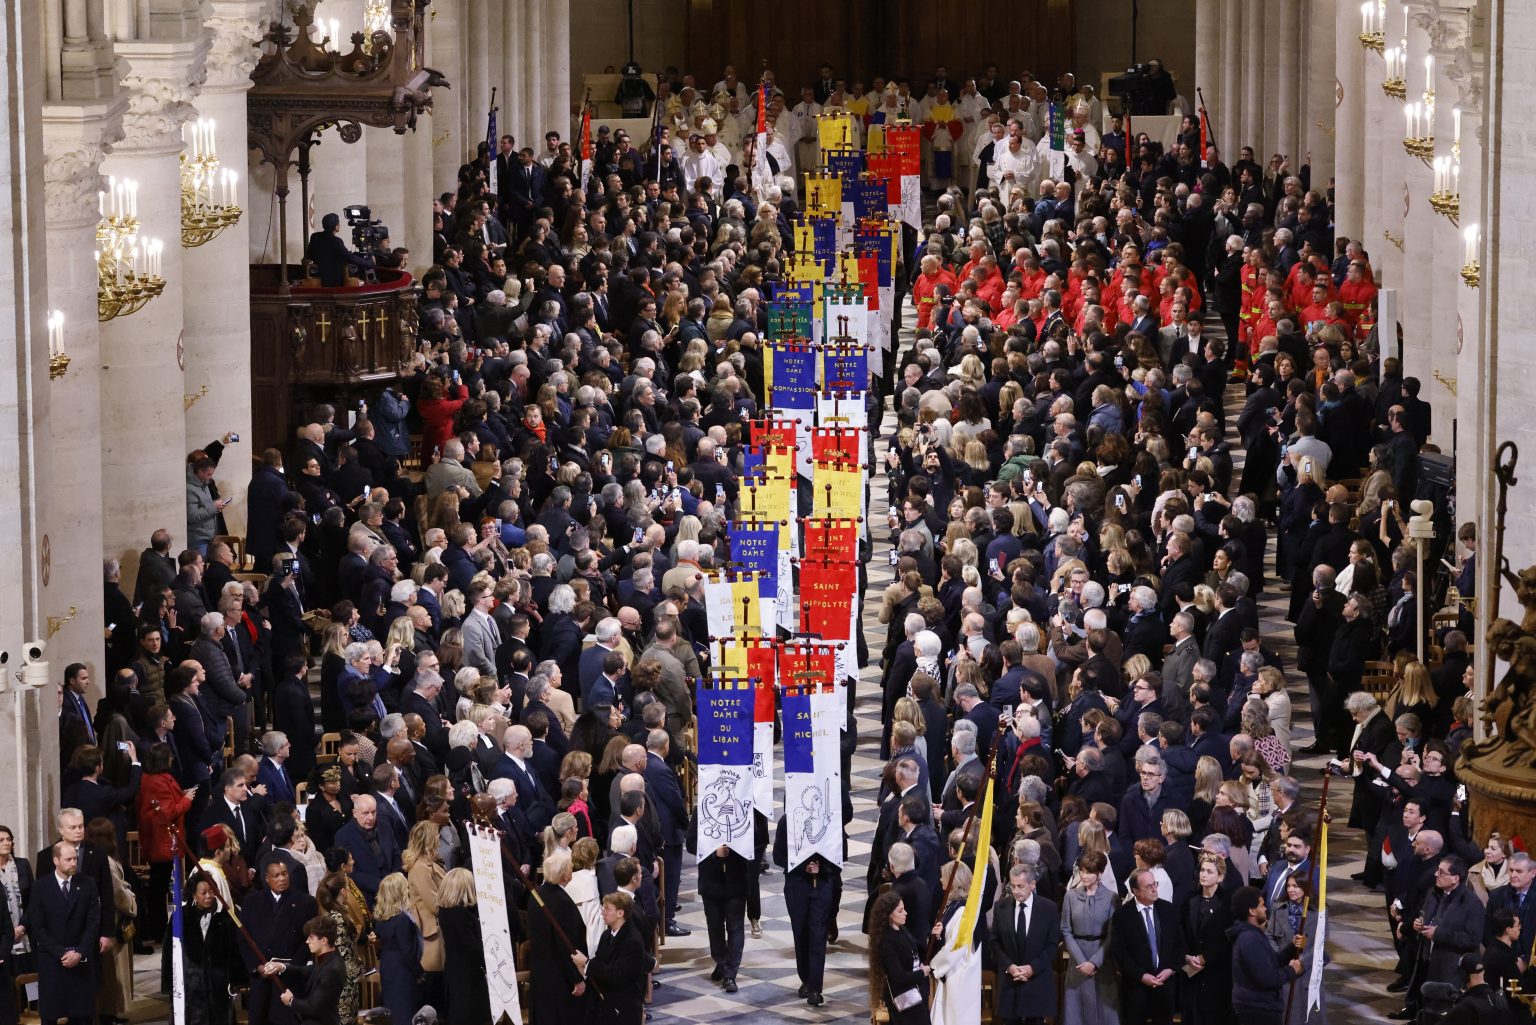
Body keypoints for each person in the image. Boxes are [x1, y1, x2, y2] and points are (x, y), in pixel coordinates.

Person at [28, 842, 100, 1025]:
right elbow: (37, 927)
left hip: (80, 959)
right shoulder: (40, 887)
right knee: (51, 1013)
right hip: (52, 960)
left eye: (75, 858)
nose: (73, 863)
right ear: (56, 861)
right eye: (68, 859)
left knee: (81, 1014)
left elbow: (92, 923)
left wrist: (80, 952)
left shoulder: (87, 883)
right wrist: (61, 952)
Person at [240, 858, 318, 1025]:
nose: (282, 879)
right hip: (262, 978)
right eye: (276, 876)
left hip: (289, 978)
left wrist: (290, 968)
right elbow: (244, 940)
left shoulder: (306, 902)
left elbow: (309, 940)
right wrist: (257, 966)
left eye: (284, 874)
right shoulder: (252, 902)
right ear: (267, 878)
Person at [774, 811, 840, 1007]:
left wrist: (823, 868)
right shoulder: (786, 821)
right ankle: (806, 979)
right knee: (801, 932)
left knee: (818, 934)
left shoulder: (830, 820)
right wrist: (803, 867)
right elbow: (778, 856)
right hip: (797, 884)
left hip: (823, 885)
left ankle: (816, 988)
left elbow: (838, 856)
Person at [991, 861, 1061, 1025]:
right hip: (1010, 982)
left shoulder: (1048, 908)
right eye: (1013, 886)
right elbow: (995, 942)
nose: (1016, 891)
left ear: (1032, 884)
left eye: (1020, 886)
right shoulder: (1001, 907)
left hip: (1036, 983)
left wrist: (1032, 968)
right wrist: (1009, 966)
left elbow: (1052, 945)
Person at [1111, 868, 1183, 1025]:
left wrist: (1170, 969)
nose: (1154, 889)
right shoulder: (1122, 915)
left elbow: (1179, 945)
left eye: (1155, 884)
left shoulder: (1168, 910)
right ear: (1135, 891)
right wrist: (1140, 975)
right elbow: (1120, 952)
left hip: (1165, 985)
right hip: (1136, 988)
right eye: (1148, 886)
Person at [528, 848, 588, 1024]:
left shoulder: (536, 894)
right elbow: (565, 945)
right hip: (559, 977)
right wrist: (577, 979)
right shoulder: (561, 902)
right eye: (570, 869)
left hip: (540, 971)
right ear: (564, 875)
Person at [574, 890, 652, 1025]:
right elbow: (600, 962)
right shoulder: (607, 935)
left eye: (607, 909)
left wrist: (587, 964)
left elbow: (618, 974)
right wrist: (585, 970)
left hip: (624, 1006)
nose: (603, 912)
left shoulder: (632, 941)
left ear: (620, 913)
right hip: (607, 1002)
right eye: (603, 908)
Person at [1229, 885, 1303, 1025]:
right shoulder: (1250, 939)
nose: (1265, 909)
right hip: (1258, 1009)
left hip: (1259, 1006)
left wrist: (1291, 948)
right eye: (1262, 906)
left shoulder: (1253, 935)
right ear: (1252, 911)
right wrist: (1292, 970)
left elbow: (1271, 962)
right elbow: (1267, 978)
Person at [1061, 850, 1120, 1025]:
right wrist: (1081, 961)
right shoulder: (1071, 895)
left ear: (1100, 873)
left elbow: (1112, 933)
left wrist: (1095, 962)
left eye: (1089, 872)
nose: (1084, 876)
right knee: (1076, 1012)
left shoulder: (1111, 898)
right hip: (1078, 961)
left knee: (1105, 1011)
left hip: (1102, 961)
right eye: (1082, 871)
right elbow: (1066, 929)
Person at [258, 915, 347, 1025]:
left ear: (323, 940)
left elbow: (314, 1007)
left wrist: (291, 1001)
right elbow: (305, 970)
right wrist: (282, 967)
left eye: (311, 937)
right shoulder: (328, 959)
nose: (307, 941)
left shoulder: (332, 969)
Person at [181, 871, 243, 1025]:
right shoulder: (182, 917)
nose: (208, 896)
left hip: (219, 985)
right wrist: (170, 985)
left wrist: (237, 980)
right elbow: (170, 952)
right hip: (191, 986)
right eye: (203, 893)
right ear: (194, 895)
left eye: (211, 892)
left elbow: (235, 951)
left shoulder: (225, 918)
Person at [930, 861, 983, 1025]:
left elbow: (956, 946)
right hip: (950, 971)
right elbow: (949, 936)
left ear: (954, 881)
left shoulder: (962, 911)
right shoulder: (951, 906)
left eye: (943, 876)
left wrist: (934, 964)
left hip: (958, 971)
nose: (940, 880)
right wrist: (938, 935)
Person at [437, 867, 492, 1025]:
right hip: (468, 976)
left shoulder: (444, 911)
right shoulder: (462, 915)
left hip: (453, 970)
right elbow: (472, 948)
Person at [372, 872, 425, 1025]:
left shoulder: (382, 918)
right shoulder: (402, 920)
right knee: (404, 1012)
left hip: (388, 967)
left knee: (393, 1012)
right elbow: (407, 952)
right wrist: (419, 972)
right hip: (402, 971)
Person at [697, 843, 750, 992]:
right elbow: (692, 843)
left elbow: (754, 841)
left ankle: (730, 974)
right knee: (714, 926)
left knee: (735, 927)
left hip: (737, 879)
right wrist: (714, 853)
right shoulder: (701, 818)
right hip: (711, 880)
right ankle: (721, 960)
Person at [0, 826, 34, 978]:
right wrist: (9, 932)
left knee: (28, 984)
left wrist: (22, 926)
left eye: (9, 839)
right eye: (1, 840)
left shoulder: (22, 864)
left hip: (25, 934)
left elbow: (34, 899)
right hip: (3, 937)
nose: (6, 843)